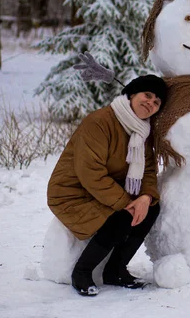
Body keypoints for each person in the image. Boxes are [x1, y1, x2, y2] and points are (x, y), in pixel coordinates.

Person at [47, 75, 167, 296]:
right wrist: (126, 203)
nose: (151, 103)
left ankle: (115, 270)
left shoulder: (142, 131)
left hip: (105, 190)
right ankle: (81, 272)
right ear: (132, 94)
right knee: (121, 216)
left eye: (157, 102)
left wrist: (145, 197)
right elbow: (90, 173)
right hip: (72, 193)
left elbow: (149, 170)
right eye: (147, 95)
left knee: (151, 209)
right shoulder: (100, 121)